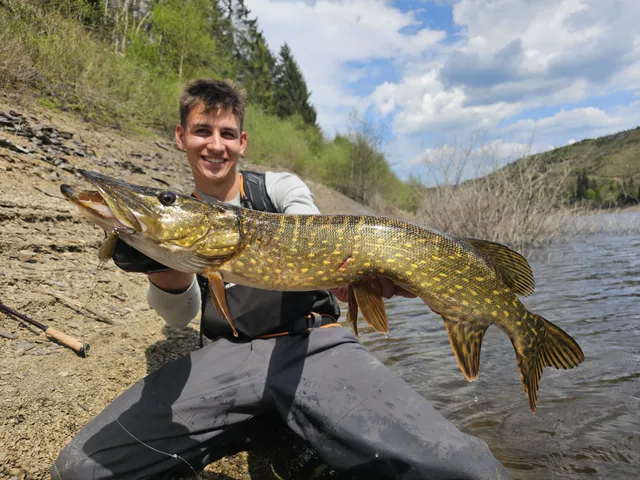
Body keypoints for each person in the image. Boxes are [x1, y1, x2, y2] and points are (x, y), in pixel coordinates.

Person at [51, 78, 511, 479]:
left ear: (242, 141)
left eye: (226, 134)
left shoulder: (279, 188)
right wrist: (160, 265)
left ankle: (290, 426)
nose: (215, 145)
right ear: (180, 136)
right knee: (80, 468)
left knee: (468, 470)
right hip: (229, 358)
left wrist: (352, 273)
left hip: (314, 345)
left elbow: (312, 229)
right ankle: (281, 428)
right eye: (202, 131)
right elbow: (180, 315)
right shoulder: (180, 232)